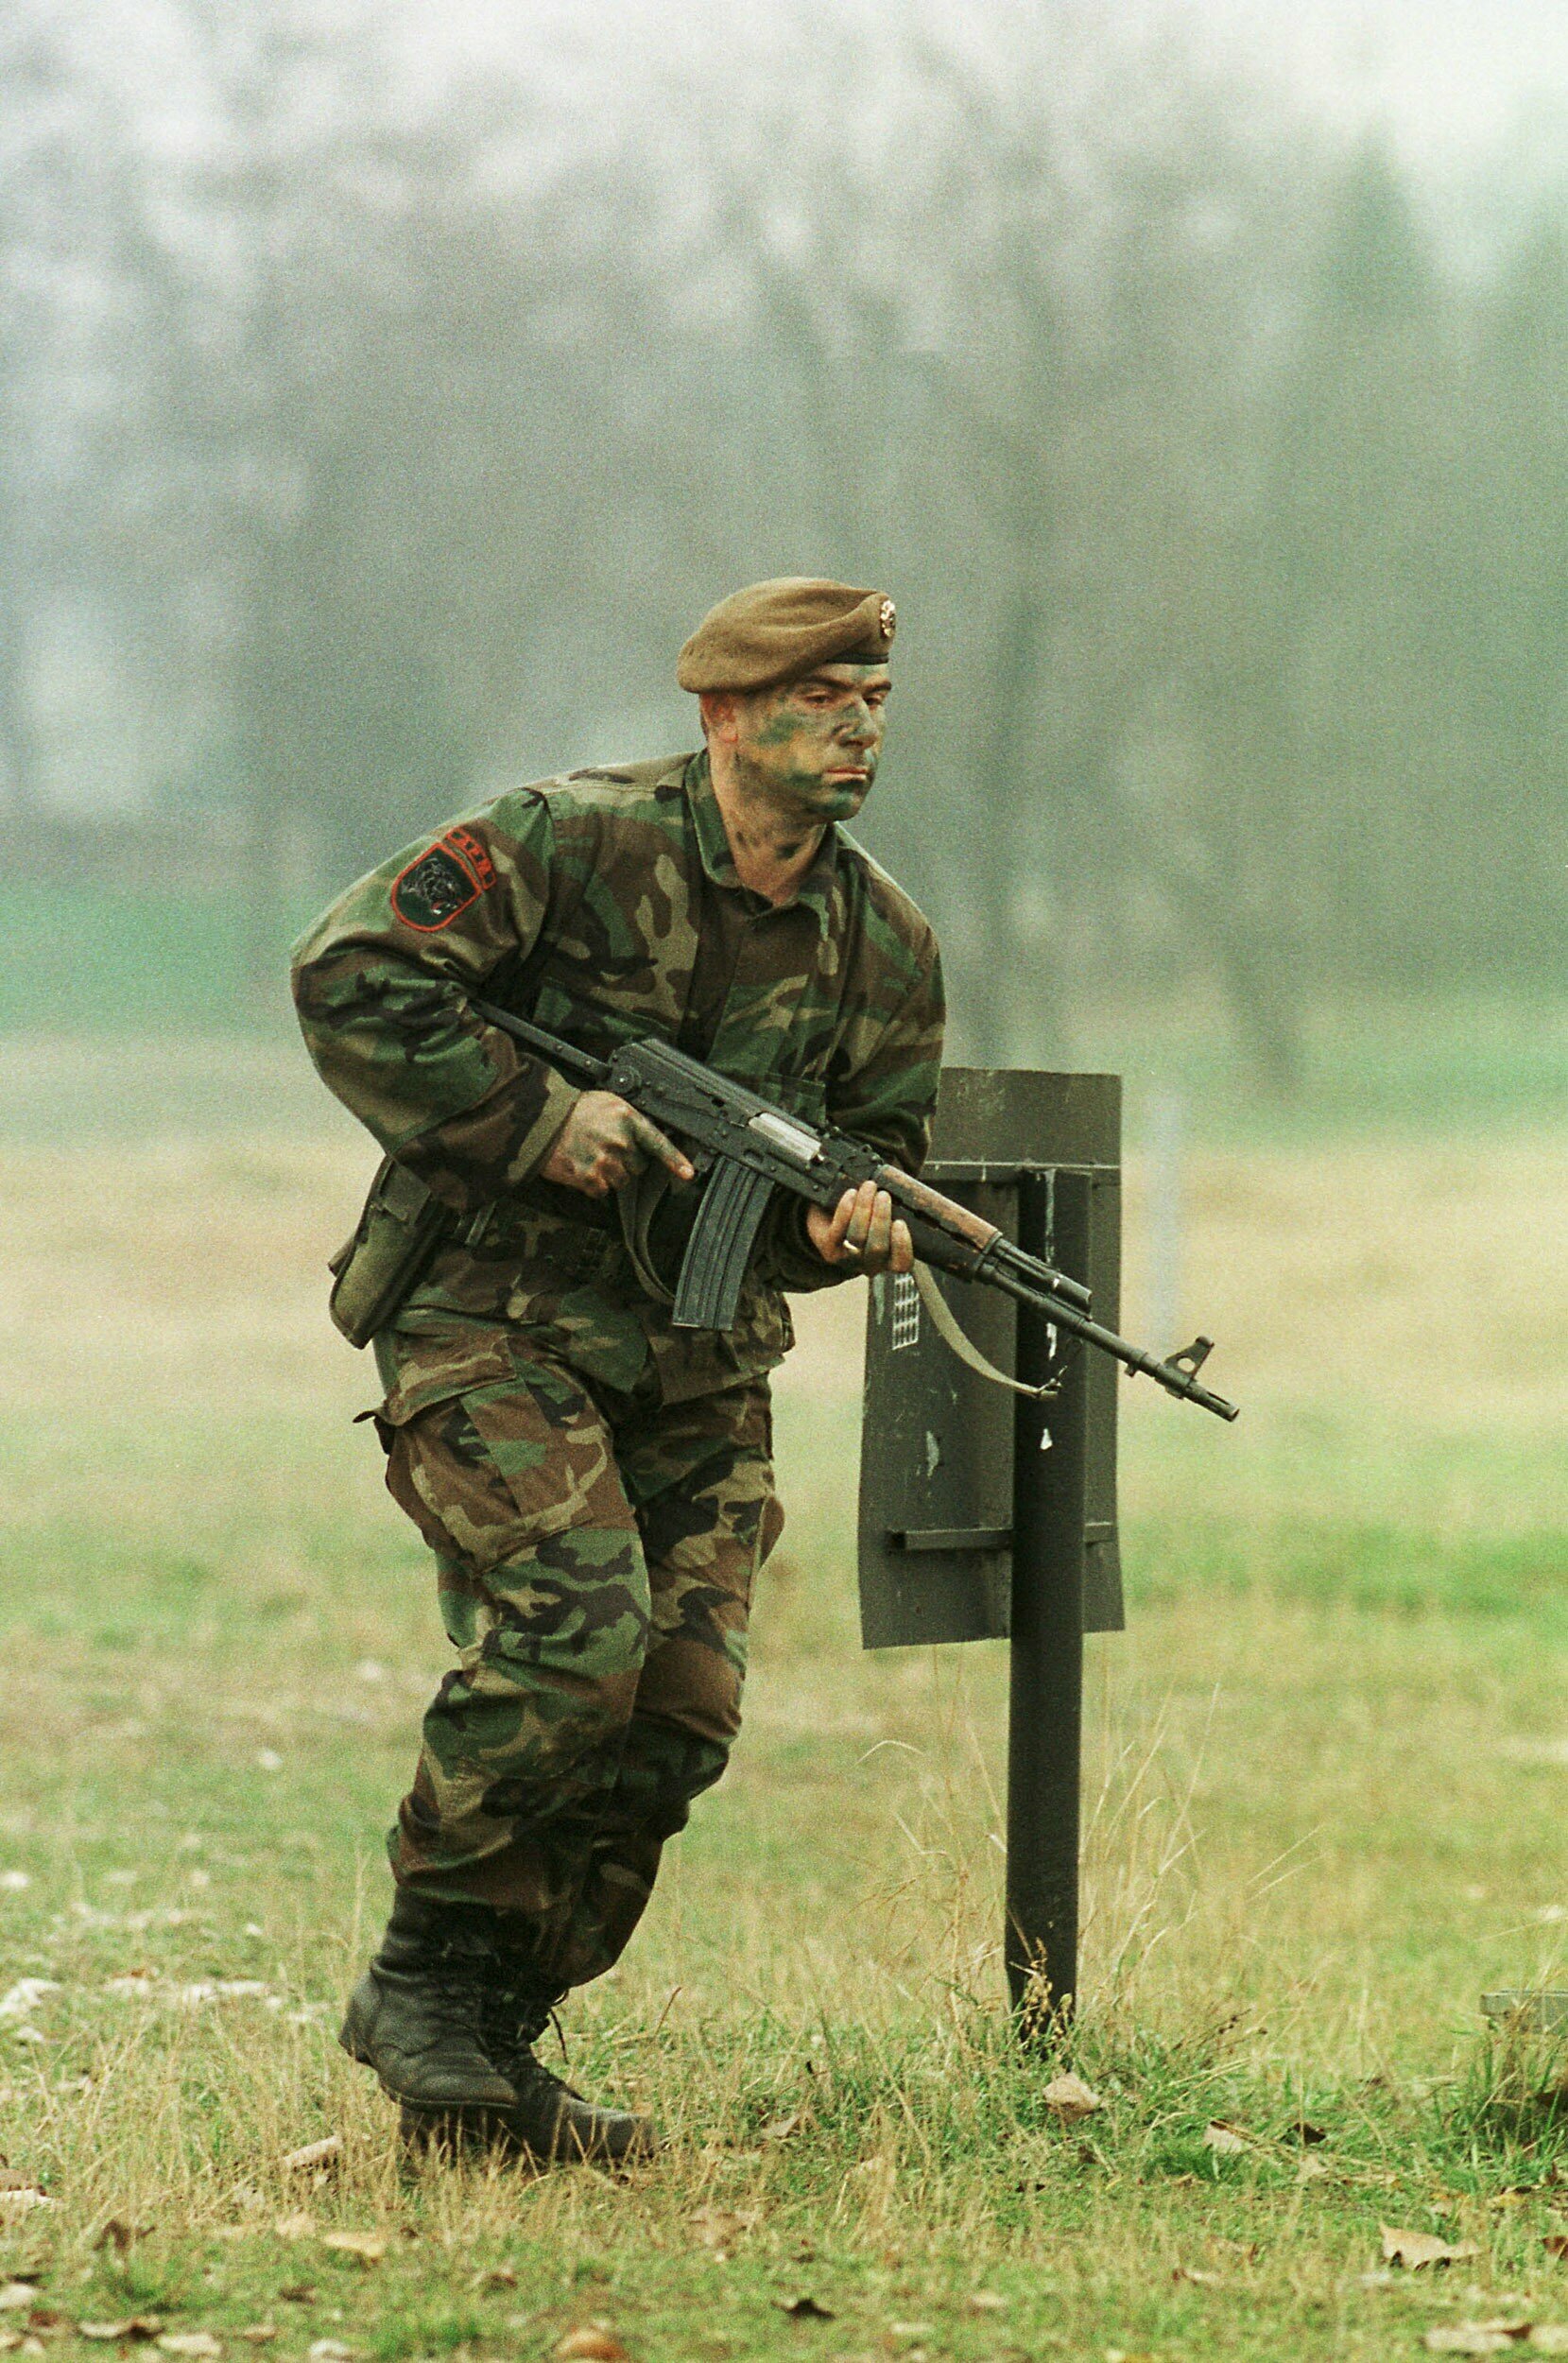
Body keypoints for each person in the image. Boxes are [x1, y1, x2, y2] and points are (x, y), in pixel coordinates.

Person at [290, 577, 944, 2163]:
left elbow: (870, 1155)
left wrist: (845, 1228)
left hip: (695, 1358)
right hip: (488, 1318)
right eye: (819, 701)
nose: (857, 729)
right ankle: (420, 1979)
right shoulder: (568, 844)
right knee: (579, 1635)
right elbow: (350, 974)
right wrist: (540, 1118)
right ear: (724, 714)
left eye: (872, 702)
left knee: (681, 1710)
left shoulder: (884, 943)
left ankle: (486, 2043)